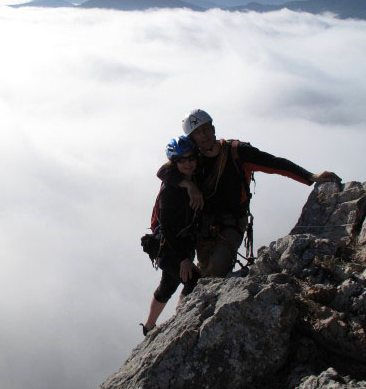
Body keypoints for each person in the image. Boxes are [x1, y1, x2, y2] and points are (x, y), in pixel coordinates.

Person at [158, 109, 341, 278]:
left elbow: (275, 164)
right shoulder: (192, 159)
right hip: (205, 225)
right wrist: (189, 185)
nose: (203, 135)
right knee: (205, 271)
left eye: (206, 129)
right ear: (191, 138)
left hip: (232, 222)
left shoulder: (238, 152)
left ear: (213, 128)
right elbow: (164, 172)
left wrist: (309, 176)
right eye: (197, 133)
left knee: (215, 271)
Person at [141, 136, 200, 336]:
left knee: (169, 284)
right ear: (174, 163)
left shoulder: (188, 179)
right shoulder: (170, 191)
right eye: (181, 160)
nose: (188, 163)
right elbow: (167, 228)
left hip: (177, 244)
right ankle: (180, 323)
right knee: (194, 281)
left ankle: (148, 327)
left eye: (191, 158)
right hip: (169, 247)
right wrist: (184, 258)